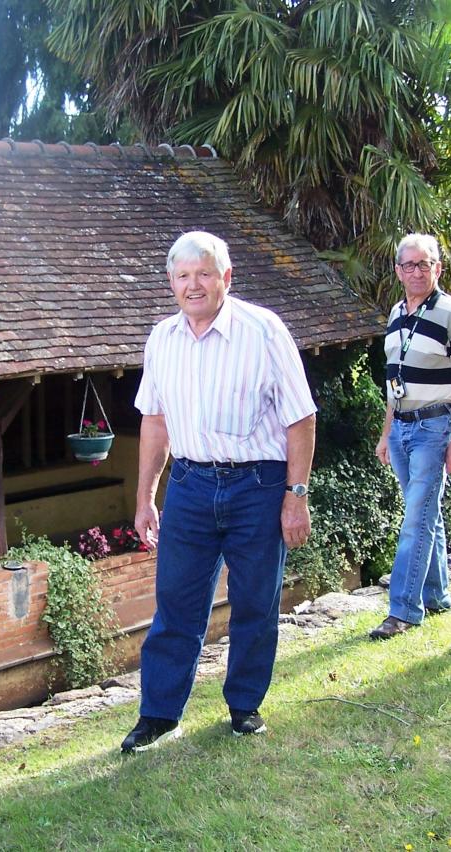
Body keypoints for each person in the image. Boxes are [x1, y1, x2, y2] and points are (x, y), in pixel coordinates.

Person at [122, 231, 317, 752]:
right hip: (188, 485)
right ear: (170, 283)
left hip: (259, 485)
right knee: (177, 605)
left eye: (204, 273)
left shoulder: (264, 331)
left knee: (255, 601)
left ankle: (245, 706)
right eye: (183, 276)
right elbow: (155, 424)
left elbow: (301, 418)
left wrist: (295, 495)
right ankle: (159, 715)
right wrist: (145, 497)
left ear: (226, 277)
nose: (194, 285)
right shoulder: (161, 339)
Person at [367, 234, 451, 640]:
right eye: (409, 265)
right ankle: (436, 595)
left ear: (438, 268)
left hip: (435, 427)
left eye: (424, 263)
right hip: (401, 428)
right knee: (425, 513)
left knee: (415, 519)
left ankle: (403, 611)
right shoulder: (397, 313)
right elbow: (393, 383)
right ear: (398, 271)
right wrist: (386, 434)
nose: (417, 271)